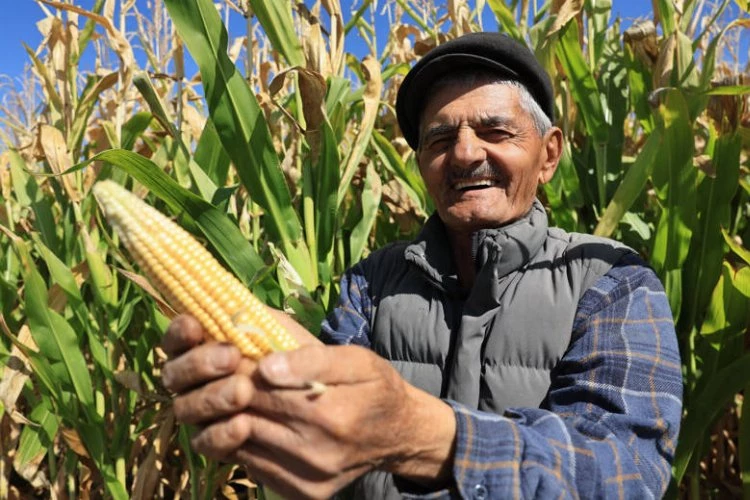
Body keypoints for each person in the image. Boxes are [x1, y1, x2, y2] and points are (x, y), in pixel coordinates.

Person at [161, 32, 683, 499]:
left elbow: (624, 472)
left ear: (548, 155)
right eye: (438, 139)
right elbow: (329, 449)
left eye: (495, 131)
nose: (463, 153)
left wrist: (422, 434)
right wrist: (276, 390)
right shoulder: (370, 284)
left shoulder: (612, 281)